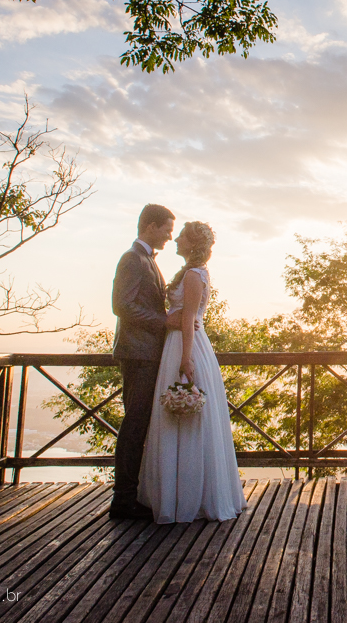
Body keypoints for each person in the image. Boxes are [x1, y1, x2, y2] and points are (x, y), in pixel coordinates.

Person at [138, 221, 246, 523]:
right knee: (175, 418)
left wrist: (185, 360)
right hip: (177, 344)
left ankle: (189, 496)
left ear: (192, 244)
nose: (175, 240)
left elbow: (188, 320)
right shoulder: (190, 272)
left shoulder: (194, 275)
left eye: (181, 237)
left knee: (187, 419)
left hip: (187, 346)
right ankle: (175, 492)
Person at [109, 203, 179, 520]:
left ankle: (131, 495)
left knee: (139, 425)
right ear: (150, 227)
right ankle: (122, 500)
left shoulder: (145, 259)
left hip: (147, 352)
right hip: (138, 353)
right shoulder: (133, 259)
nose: (169, 236)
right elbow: (121, 306)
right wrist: (162, 322)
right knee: (134, 426)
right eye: (167, 229)